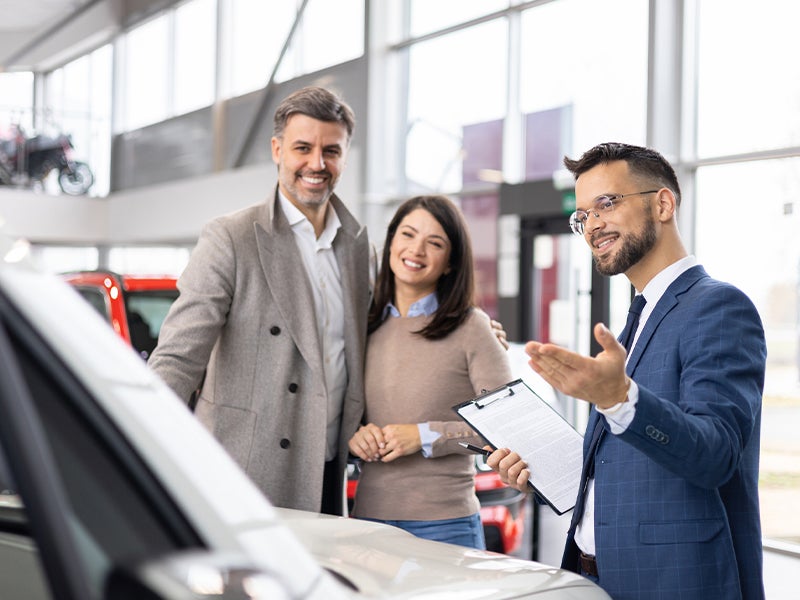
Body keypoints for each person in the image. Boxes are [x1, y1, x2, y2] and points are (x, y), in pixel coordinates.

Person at [487, 142, 766, 599]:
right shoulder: (640, 316)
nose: (592, 224)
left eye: (607, 203)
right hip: (596, 575)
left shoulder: (717, 307)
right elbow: (627, 465)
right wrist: (540, 468)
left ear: (662, 203)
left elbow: (716, 453)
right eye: (583, 216)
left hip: (673, 581)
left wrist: (618, 399)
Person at [149, 86, 371, 515]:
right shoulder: (231, 237)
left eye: (332, 151)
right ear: (276, 149)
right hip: (244, 471)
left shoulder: (359, 247)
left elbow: (372, 343)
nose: (317, 164)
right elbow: (178, 357)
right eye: (302, 148)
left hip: (327, 471)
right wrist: (134, 439)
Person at [347, 195, 511, 549]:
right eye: (407, 234)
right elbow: (341, 410)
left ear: (451, 263)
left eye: (434, 243)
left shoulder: (473, 328)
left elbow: (504, 427)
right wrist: (354, 435)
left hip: (445, 525)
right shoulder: (362, 327)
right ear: (391, 243)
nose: (416, 249)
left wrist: (422, 436)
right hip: (369, 522)